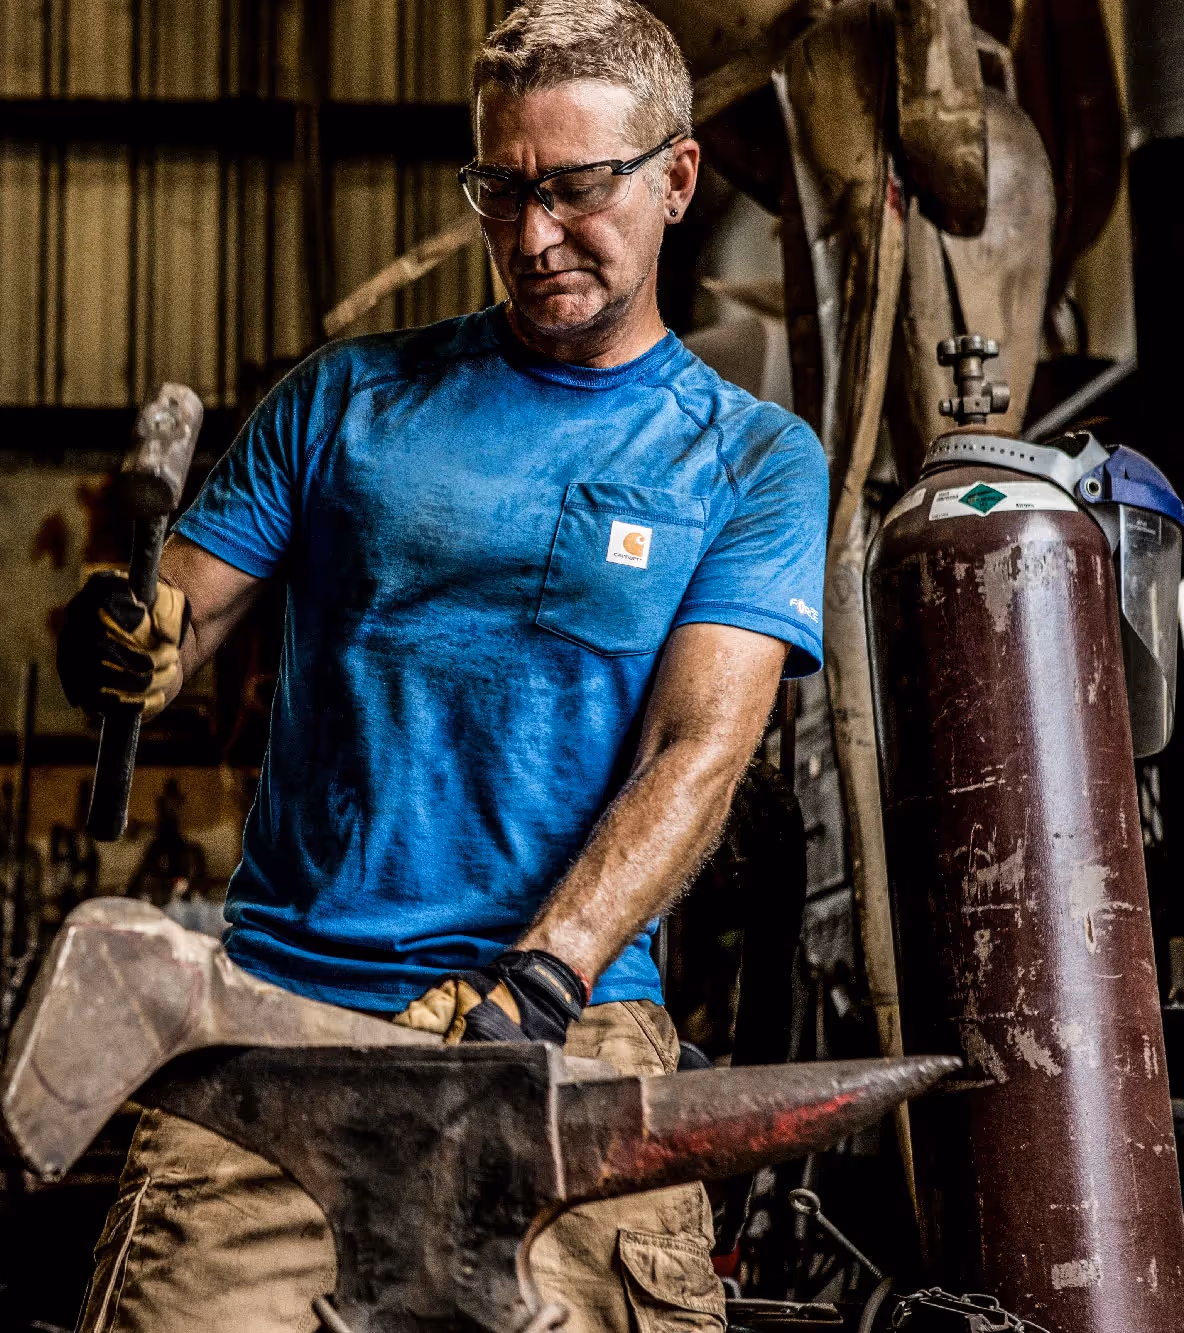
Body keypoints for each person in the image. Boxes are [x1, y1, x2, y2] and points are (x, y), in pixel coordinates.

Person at [55, 2, 827, 1329]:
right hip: (283, 1034)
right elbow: (175, 624)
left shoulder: (750, 461)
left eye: (578, 192)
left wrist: (541, 980)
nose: (534, 239)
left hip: (571, 1038)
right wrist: (114, 643)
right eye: (502, 192)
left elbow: (697, 751)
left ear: (677, 179)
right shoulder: (343, 403)